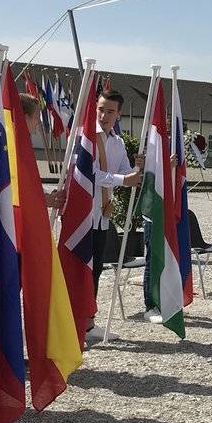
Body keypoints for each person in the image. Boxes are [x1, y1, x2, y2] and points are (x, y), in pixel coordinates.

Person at [91, 89, 142, 341]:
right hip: (84, 213)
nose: (104, 115)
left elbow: (125, 173)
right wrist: (124, 179)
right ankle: (76, 321)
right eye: (101, 109)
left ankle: (88, 322)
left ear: (118, 115)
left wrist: (138, 168)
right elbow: (90, 175)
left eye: (110, 111)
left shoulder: (117, 142)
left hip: (103, 214)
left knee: (96, 269)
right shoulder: (87, 138)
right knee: (81, 268)